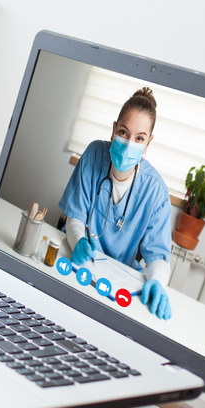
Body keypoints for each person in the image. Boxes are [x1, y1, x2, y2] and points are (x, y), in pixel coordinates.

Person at [58, 87, 173, 319]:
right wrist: (78, 240)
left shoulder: (156, 193)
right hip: (77, 266)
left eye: (139, 138)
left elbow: (157, 258)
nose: (129, 143)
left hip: (115, 285)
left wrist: (158, 282)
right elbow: (75, 217)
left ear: (148, 143)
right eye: (123, 132)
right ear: (113, 130)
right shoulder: (93, 155)